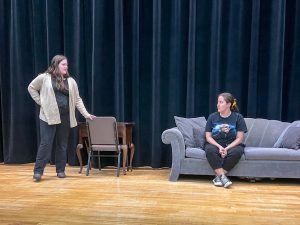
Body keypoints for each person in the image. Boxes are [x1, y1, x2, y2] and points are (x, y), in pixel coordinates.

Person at [28, 55, 95, 182]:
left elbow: (77, 99)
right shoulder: (44, 78)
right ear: (56, 65)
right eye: (63, 64)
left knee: (62, 145)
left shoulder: (71, 81)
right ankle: (38, 171)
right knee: (46, 143)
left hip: (65, 117)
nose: (66, 67)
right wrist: (41, 102)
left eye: (67, 65)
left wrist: (86, 114)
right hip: (48, 117)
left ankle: (60, 170)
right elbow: (31, 88)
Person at [204, 92, 247, 188]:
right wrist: (219, 147)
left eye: (221, 102)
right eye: (218, 102)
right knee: (210, 150)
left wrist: (226, 149)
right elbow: (208, 137)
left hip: (232, 144)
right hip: (215, 144)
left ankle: (218, 177)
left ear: (228, 104)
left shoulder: (238, 118)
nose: (218, 105)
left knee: (237, 151)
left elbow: (239, 138)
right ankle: (223, 177)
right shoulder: (212, 117)